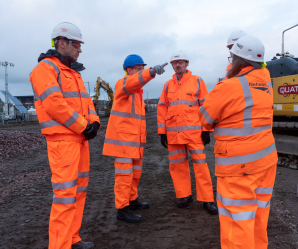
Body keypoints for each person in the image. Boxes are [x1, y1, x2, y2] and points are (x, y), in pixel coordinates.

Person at [198, 35, 277, 249]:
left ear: (237, 60)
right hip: (266, 161)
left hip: (238, 166)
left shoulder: (228, 87)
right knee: (259, 215)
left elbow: (204, 118)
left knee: (238, 219)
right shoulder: (266, 81)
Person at [30, 22, 100, 249]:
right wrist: (83, 126)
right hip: (63, 142)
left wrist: (94, 123)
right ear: (62, 42)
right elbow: (54, 104)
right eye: (77, 44)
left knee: (77, 194)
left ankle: (72, 239)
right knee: (65, 197)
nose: (80, 49)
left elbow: (88, 103)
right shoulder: (45, 69)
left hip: (79, 141)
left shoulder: (73, 73)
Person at [103, 54, 167, 223]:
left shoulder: (137, 92)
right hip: (123, 141)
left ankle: (132, 200)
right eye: (139, 69)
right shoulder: (123, 83)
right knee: (124, 176)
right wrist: (151, 72)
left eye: (143, 68)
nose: (142, 71)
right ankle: (122, 208)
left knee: (135, 174)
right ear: (128, 70)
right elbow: (132, 83)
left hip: (134, 142)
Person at [157, 50, 218, 215]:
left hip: (194, 134)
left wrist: (206, 129)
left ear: (187, 64)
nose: (177, 65)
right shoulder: (167, 85)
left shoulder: (197, 81)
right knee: (177, 167)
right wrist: (162, 132)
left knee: (201, 167)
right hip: (173, 135)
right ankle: (184, 196)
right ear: (172, 65)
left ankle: (207, 200)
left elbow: (206, 106)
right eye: (175, 63)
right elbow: (162, 108)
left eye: (181, 62)